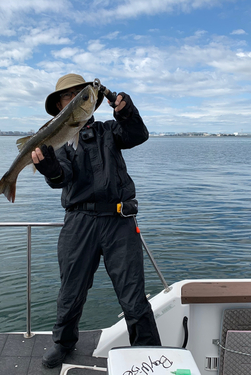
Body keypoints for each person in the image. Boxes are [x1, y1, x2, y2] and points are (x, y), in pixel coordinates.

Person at [32, 73, 161, 368]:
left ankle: (148, 351)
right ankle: (63, 343)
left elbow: (137, 134)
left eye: (79, 93)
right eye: (68, 95)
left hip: (119, 219)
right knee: (71, 290)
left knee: (133, 293)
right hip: (79, 222)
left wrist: (127, 112)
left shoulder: (109, 130)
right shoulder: (59, 141)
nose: (74, 98)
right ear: (60, 106)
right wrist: (50, 169)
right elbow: (61, 177)